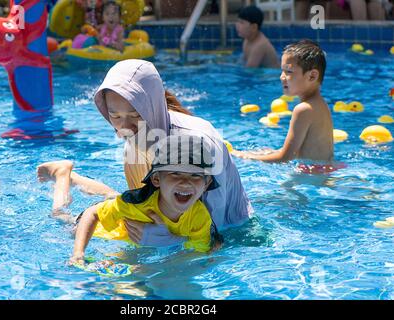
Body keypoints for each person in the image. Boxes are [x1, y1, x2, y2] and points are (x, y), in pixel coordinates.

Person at [37, 59, 253, 248]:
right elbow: (137, 208)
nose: (125, 127)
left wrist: (171, 240)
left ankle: (68, 175)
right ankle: (63, 179)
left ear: (153, 106)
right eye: (115, 116)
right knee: (69, 223)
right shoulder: (133, 144)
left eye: (135, 115)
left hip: (233, 226)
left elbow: (216, 234)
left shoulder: (199, 147)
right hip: (180, 221)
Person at [51, 134, 222, 265]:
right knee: (60, 217)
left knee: (115, 198)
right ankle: (62, 173)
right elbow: (91, 214)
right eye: (175, 173)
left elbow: (199, 252)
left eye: (195, 175)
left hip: (122, 206)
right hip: (98, 228)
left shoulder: (200, 217)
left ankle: (74, 177)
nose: (185, 182)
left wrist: (171, 240)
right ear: (156, 179)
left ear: (206, 184)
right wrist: (78, 253)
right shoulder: (136, 205)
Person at [232, 40, 335, 169]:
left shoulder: (303, 109)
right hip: (324, 171)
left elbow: (285, 158)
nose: (282, 77)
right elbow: (300, 150)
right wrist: (270, 153)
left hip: (310, 177)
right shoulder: (320, 104)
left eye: (289, 72)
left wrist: (244, 156)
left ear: (312, 76)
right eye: (282, 71)